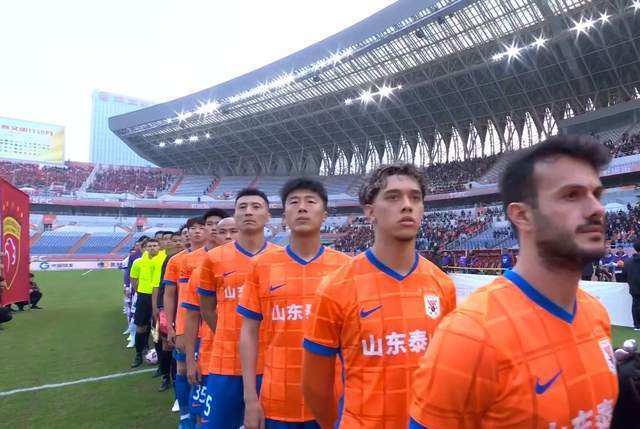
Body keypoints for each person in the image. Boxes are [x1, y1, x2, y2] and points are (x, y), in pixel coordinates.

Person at [409, 136, 619, 428]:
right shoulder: (470, 335)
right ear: (522, 215)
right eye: (572, 195)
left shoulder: (596, 314)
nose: (597, 208)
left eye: (596, 194)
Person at [302, 164, 457, 429]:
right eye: (393, 197)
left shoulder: (442, 285)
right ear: (370, 211)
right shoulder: (336, 287)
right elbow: (315, 386)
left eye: (415, 198)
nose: (407, 205)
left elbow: (447, 371)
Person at [238, 178, 351, 429]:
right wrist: (250, 398)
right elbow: (248, 331)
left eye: (310, 201)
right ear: (284, 217)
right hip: (277, 399)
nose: (302, 207)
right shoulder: (261, 266)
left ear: (324, 215)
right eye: (294, 202)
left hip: (333, 401)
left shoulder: (346, 268)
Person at [198, 189, 278, 429]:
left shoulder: (281, 258)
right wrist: (227, 334)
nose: (248, 211)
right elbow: (206, 308)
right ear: (235, 214)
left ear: (268, 216)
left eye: (256, 206)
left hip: (271, 364)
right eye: (242, 207)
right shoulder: (213, 259)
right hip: (226, 363)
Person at [182, 208, 228, 425]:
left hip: (251, 360)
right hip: (210, 354)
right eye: (211, 224)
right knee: (205, 418)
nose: (217, 230)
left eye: (223, 226)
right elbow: (191, 316)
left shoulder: (257, 267)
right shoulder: (200, 272)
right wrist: (190, 360)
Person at [163, 224, 191, 413]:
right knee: (182, 366)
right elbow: (167, 292)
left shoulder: (214, 257)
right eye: (186, 233)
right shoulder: (175, 260)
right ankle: (182, 405)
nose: (190, 235)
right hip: (183, 323)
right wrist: (170, 323)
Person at [157, 230, 184, 391]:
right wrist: (161, 309)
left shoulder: (202, 256)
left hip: (190, 311)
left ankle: (177, 383)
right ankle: (167, 377)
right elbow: (163, 287)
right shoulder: (171, 260)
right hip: (173, 309)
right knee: (169, 344)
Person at [129, 238, 162, 368]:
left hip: (159, 296)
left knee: (157, 327)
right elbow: (133, 279)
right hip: (143, 296)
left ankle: (160, 355)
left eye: (155, 245)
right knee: (141, 326)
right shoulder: (138, 262)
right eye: (150, 246)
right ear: (145, 248)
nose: (152, 248)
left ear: (159, 247)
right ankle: (138, 353)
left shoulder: (163, 260)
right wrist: (141, 291)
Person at [623, 241, 640, 330]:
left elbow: (623, 275)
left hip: (634, 288)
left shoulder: (628, 262)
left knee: (635, 305)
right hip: (635, 287)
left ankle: (637, 325)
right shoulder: (628, 261)